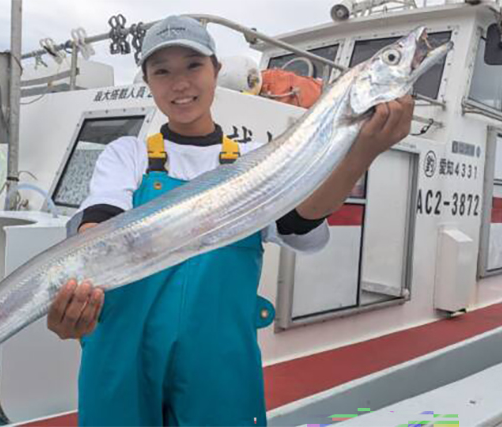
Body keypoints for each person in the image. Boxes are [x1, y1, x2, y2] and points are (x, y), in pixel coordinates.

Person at [47, 15, 414, 426]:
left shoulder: (253, 158)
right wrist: (75, 292)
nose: (180, 83)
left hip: (218, 366)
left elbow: (298, 219)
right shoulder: (126, 155)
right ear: (147, 81)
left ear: (216, 71)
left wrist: (362, 154)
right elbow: (100, 223)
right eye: (162, 71)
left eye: (193, 65)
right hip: (121, 359)